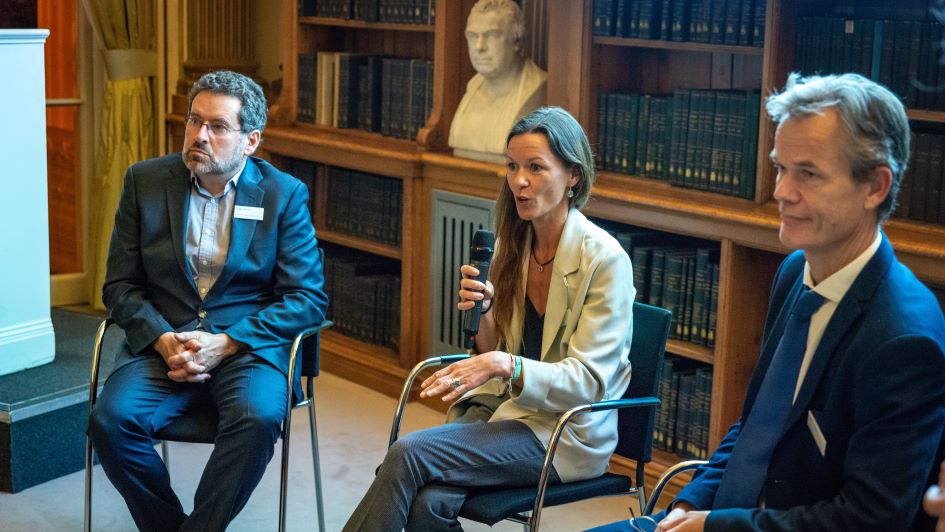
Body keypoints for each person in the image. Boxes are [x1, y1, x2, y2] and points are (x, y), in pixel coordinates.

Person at [601, 73, 945, 532]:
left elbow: (871, 519)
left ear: (875, 187)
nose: (781, 191)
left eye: (808, 173)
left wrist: (714, 526)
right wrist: (690, 505)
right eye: (781, 168)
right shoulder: (792, 272)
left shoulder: (904, 339)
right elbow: (756, 430)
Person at [343, 106, 634, 531]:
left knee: (409, 453)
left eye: (536, 167)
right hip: (509, 411)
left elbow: (589, 382)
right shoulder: (511, 246)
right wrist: (485, 313)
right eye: (513, 166)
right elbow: (494, 349)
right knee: (430, 503)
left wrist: (507, 364)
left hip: (564, 432)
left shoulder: (606, 261)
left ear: (573, 175)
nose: (519, 181)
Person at [87, 70, 328, 532]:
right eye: (194, 121)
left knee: (257, 417)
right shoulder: (146, 182)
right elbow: (119, 285)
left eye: (218, 126)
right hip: (165, 343)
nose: (199, 135)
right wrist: (161, 340)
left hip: (247, 347)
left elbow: (307, 298)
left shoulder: (283, 195)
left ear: (251, 141)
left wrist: (228, 342)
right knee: (110, 422)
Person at [448, 0, 547, 164]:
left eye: (491, 35)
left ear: (517, 41)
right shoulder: (471, 88)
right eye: (473, 36)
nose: (479, 47)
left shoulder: (539, 86)